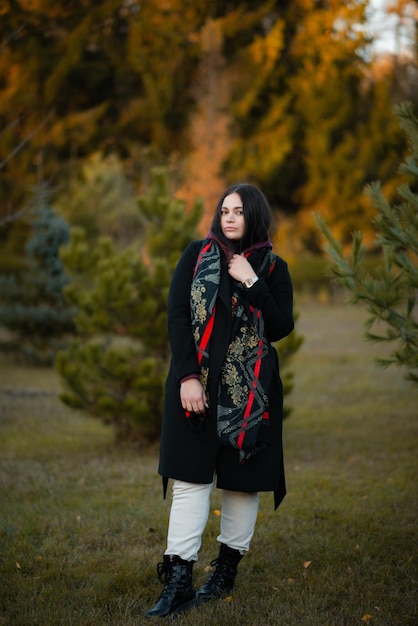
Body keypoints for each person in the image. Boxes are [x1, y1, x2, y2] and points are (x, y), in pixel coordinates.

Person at [145, 183, 294, 618]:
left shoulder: (272, 268)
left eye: (239, 211)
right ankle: (178, 577)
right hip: (196, 388)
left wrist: (250, 281)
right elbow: (177, 316)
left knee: (242, 485)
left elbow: (281, 325)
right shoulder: (196, 256)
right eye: (224, 210)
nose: (229, 217)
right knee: (190, 480)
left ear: (255, 217)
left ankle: (224, 573)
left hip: (250, 395)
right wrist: (188, 376)